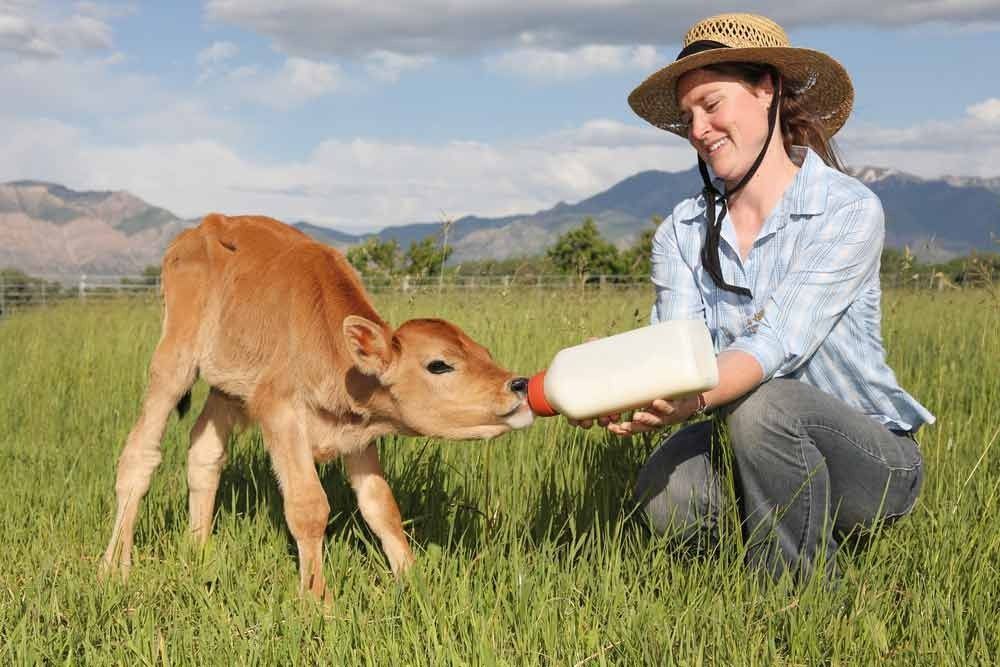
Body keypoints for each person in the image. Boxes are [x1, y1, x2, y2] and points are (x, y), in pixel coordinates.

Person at [598, 13, 934, 582]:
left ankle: (798, 602)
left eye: (711, 104)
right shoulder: (680, 231)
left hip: (869, 460)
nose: (699, 129)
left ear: (767, 89)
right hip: (743, 440)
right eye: (688, 118)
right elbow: (676, 350)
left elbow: (776, 343)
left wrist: (696, 399)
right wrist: (617, 383)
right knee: (667, 485)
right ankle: (738, 566)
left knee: (766, 403)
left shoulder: (846, 209)